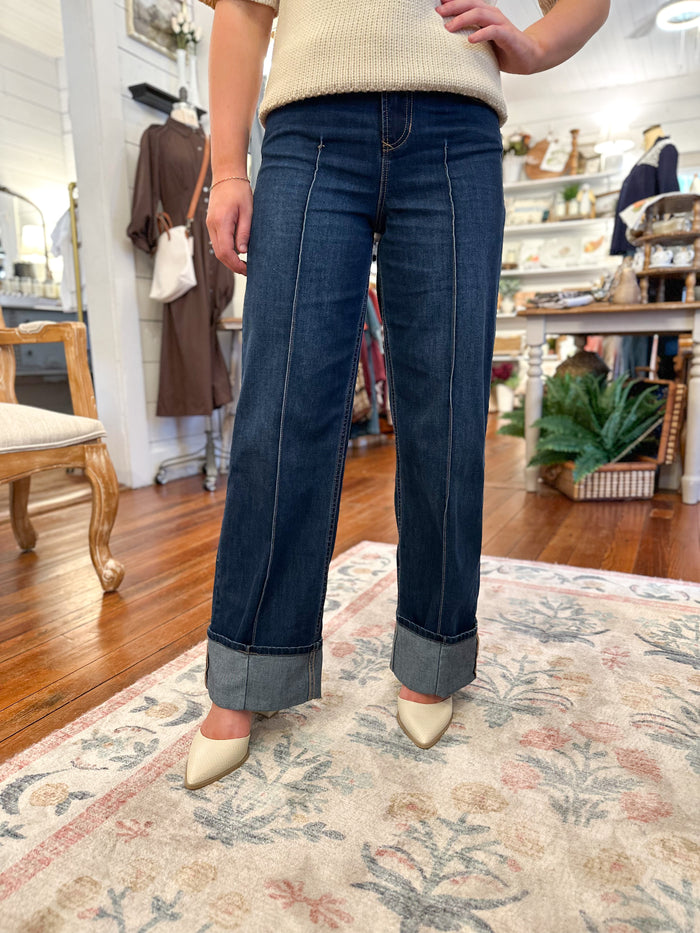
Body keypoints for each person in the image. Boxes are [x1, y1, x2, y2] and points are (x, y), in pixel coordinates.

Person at [185, 0, 610, 790]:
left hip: (457, 131)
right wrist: (232, 167)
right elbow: (244, 8)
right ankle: (248, 669)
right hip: (308, 133)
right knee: (280, 407)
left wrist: (536, 44)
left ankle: (433, 651)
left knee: (444, 403)